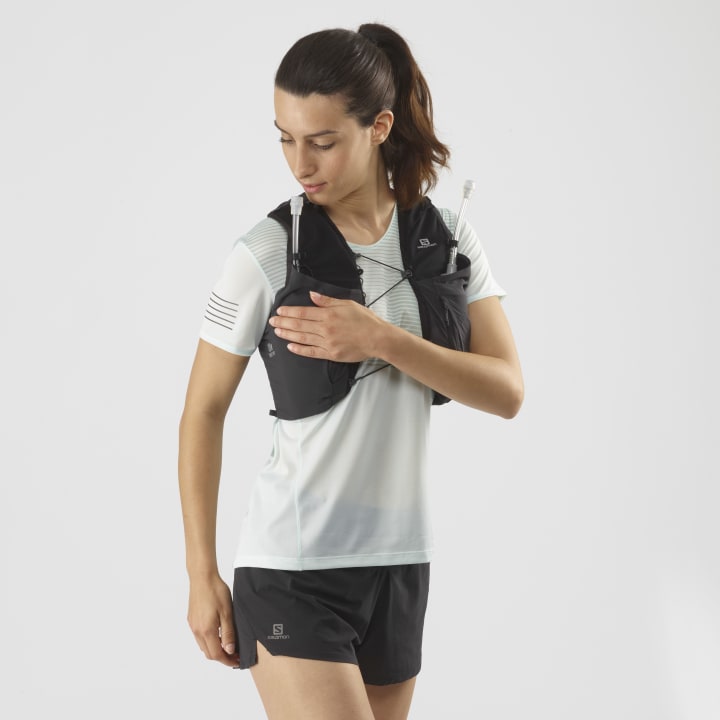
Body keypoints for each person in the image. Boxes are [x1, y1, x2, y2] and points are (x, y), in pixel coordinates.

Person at [178, 22, 523, 720]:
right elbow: (203, 412)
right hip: (292, 567)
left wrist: (381, 339)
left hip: (400, 564)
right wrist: (200, 572)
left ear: (379, 127)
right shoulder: (267, 251)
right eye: (285, 138)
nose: (299, 163)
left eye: (323, 141)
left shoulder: (448, 239)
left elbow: (507, 390)